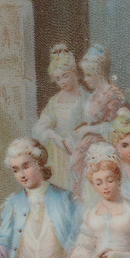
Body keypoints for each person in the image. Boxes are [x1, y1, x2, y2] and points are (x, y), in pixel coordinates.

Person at [68, 44, 127, 199]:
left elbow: (118, 128)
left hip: (105, 150)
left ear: (99, 73)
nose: (85, 79)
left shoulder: (113, 95)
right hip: (87, 148)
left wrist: (89, 130)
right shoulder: (93, 95)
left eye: (88, 75)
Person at [32, 44, 85, 193]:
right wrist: (53, 136)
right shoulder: (54, 102)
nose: (62, 82)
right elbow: (39, 128)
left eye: (65, 76)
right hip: (58, 157)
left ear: (74, 72)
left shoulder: (86, 99)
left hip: (81, 153)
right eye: (57, 78)